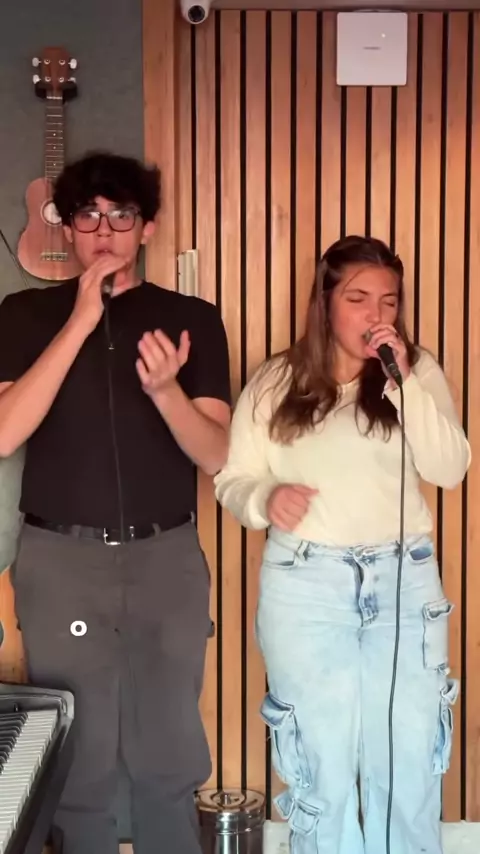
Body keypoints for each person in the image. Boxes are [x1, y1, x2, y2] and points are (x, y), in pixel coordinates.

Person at [0, 151, 231, 854]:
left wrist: (165, 391)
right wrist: (79, 320)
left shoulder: (191, 318)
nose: (104, 231)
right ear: (67, 227)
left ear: (147, 226)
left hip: (166, 557)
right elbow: (4, 432)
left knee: (170, 752)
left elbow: (218, 455)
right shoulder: (23, 314)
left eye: (121, 215)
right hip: (60, 560)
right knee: (81, 757)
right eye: (89, 216)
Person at [214, 235, 470, 854]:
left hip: (403, 582)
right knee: (320, 763)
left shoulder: (416, 372)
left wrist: (403, 383)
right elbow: (231, 479)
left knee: (408, 758)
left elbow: (449, 467)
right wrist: (265, 497)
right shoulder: (277, 380)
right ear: (325, 302)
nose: (376, 315)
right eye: (358, 298)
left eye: (389, 301)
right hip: (307, 586)